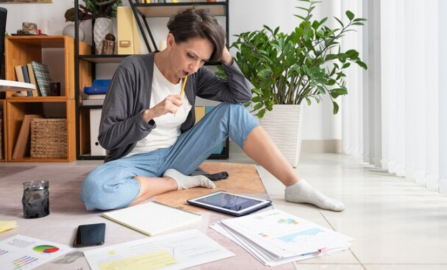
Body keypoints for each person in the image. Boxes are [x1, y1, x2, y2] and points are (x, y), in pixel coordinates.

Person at [80, 8, 345, 212]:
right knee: (96, 191)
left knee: (234, 113)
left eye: (204, 60)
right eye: (191, 56)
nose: (195, 66)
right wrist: (149, 115)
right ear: (171, 41)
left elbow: (241, 96)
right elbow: (107, 137)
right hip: (134, 160)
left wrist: (226, 56)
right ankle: (177, 182)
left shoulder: (193, 75)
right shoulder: (133, 69)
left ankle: (296, 186)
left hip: (178, 155)